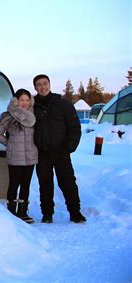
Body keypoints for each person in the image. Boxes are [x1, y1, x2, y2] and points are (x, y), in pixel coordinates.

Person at [32, 74, 86, 224]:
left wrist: (69, 147)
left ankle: (75, 212)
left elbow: (74, 127)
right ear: (35, 87)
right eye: (39, 84)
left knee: (68, 182)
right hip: (42, 152)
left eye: (45, 83)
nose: (42, 87)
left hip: (61, 151)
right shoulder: (32, 106)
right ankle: (47, 213)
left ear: (49, 84)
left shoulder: (63, 105)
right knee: (45, 183)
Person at [0, 89, 38, 224]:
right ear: (15, 101)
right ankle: (12, 212)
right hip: (15, 157)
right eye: (21, 100)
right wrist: (10, 144)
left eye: (27, 100)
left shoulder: (34, 115)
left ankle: (23, 212)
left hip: (30, 156)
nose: (25, 103)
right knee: (14, 184)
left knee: (26, 184)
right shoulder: (8, 116)